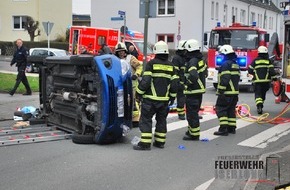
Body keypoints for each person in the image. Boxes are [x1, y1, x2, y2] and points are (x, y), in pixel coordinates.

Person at [134, 40, 178, 150]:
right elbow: (175, 84)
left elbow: (146, 82)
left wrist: (138, 93)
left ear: (156, 52)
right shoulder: (171, 66)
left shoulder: (151, 64)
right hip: (164, 101)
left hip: (150, 100)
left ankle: (145, 143)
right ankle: (160, 142)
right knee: (161, 120)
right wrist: (172, 97)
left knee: (146, 120)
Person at [182, 39, 207, 141]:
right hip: (199, 91)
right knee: (194, 112)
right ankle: (191, 130)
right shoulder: (200, 59)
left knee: (192, 114)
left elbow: (193, 75)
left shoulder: (192, 61)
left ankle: (194, 134)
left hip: (193, 91)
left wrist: (188, 83)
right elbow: (205, 73)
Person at [213, 45, 240, 136]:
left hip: (227, 92)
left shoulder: (225, 64)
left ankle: (223, 129)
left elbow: (225, 78)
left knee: (220, 109)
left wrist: (221, 90)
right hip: (234, 93)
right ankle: (232, 128)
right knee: (230, 110)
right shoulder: (235, 64)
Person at [115, 42, 142, 128]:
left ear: (125, 51)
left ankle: (136, 120)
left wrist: (136, 74)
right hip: (120, 85)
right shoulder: (116, 60)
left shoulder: (131, 58)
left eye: (122, 51)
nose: (121, 53)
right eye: (119, 51)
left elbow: (139, 67)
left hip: (132, 84)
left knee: (133, 101)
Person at [248, 46, 278, 114]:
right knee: (263, 94)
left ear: (258, 53)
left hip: (257, 81)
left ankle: (259, 106)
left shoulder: (255, 61)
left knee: (258, 94)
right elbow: (272, 71)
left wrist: (254, 74)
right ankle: (261, 104)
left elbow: (250, 69)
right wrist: (274, 78)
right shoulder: (268, 61)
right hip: (266, 82)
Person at [172, 40, 187, 120]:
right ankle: (181, 113)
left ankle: (189, 113)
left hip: (187, 82)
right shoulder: (177, 58)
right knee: (181, 98)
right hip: (180, 82)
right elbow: (175, 71)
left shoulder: (186, 57)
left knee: (188, 99)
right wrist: (179, 82)